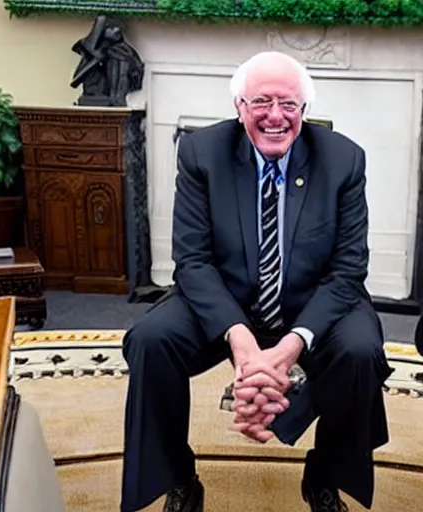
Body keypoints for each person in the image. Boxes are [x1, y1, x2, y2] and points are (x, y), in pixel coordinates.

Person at [120, 51, 393, 512]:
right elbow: (192, 261)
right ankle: (179, 478)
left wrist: (288, 351)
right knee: (150, 340)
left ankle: (323, 474)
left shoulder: (344, 160)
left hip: (313, 303)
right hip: (226, 299)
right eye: (261, 102)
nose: (275, 116)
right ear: (239, 107)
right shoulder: (202, 153)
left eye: (288, 104)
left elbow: (348, 272)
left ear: (304, 111)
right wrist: (243, 344)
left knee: (361, 350)